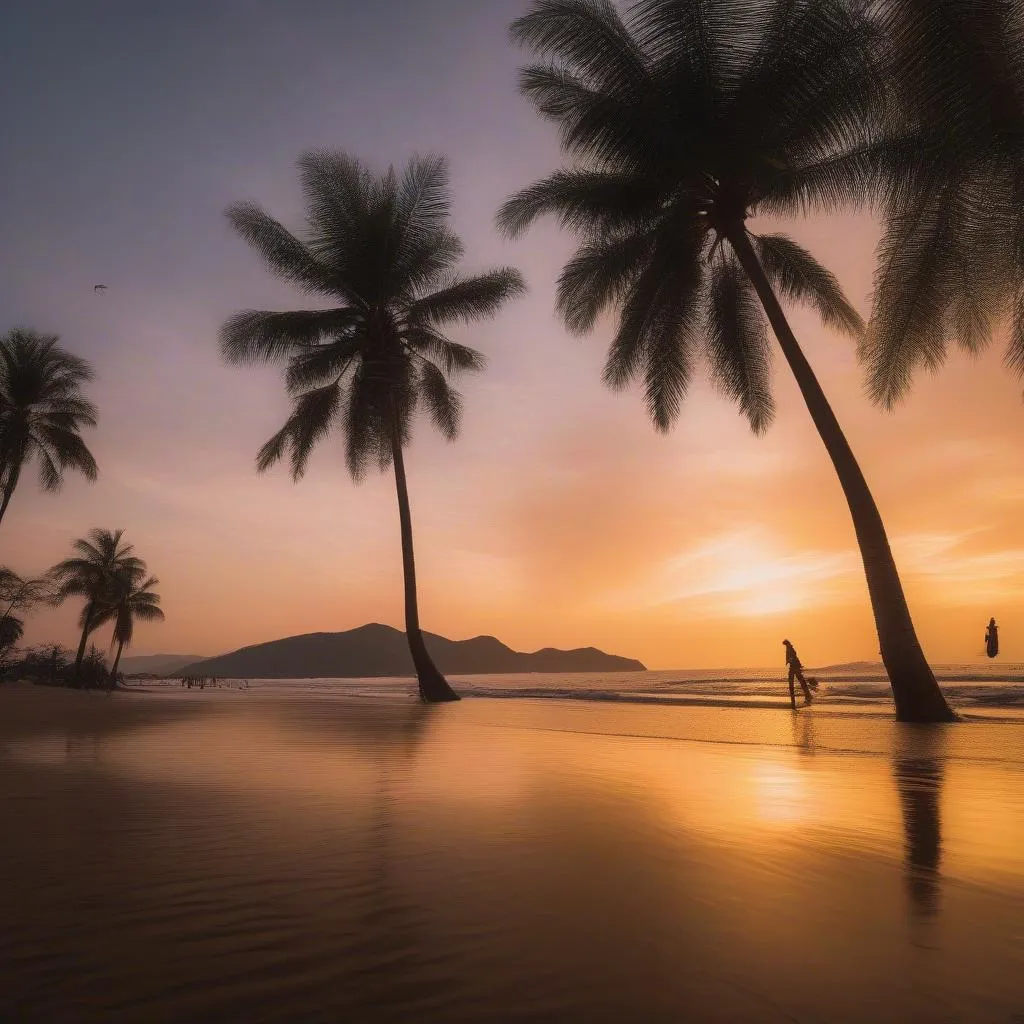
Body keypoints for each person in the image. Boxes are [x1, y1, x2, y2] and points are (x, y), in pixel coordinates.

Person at [783, 639, 814, 709]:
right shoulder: (789, 648)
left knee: (797, 683)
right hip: (794, 667)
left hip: (794, 667)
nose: (785, 646)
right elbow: (794, 657)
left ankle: (805, 697)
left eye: (785, 645)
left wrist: (790, 661)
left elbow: (793, 657)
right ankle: (807, 696)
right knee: (801, 681)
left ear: (787, 644)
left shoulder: (790, 649)